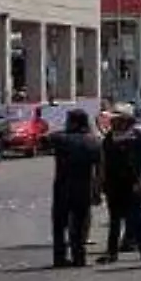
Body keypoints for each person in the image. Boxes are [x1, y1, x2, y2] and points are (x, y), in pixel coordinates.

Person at [47, 108, 103, 268]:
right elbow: (100, 170)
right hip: (84, 187)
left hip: (62, 187)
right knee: (80, 225)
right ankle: (79, 257)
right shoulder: (94, 141)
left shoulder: (60, 139)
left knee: (59, 225)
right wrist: (97, 191)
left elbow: (45, 138)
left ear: (73, 122)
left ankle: (59, 257)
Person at [98, 106, 141, 263]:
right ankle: (112, 252)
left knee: (138, 218)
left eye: (119, 119)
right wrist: (101, 183)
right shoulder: (109, 138)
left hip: (133, 184)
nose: (115, 122)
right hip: (113, 185)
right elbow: (103, 162)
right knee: (115, 220)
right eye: (114, 119)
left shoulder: (138, 136)